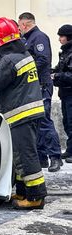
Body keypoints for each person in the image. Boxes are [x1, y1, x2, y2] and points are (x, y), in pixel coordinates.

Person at [0, 17, 47, 210]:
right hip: (32, 112)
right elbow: (13, 87)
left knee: (27, 155)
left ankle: (36, 196)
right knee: (20, 156)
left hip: (21, 114)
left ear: (0, 39)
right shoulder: (25, 55)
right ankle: (23, 191)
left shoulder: (8, 61)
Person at [18, 12, 62, 172]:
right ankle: (42, 157)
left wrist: (23, 70)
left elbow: (43, 60)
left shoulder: (38, 37)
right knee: (36, 122)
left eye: (19, 25)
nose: (19, 29)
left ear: (25, 24)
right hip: (34, 86)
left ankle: (55, 157)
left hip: (42, 85)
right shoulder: (28, 39)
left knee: (44, 122)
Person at [51, 24, 72, 163]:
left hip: (70, 93)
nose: (59, 39)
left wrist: (56, 76)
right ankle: (70, 150)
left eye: (61, 36)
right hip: (65, 93)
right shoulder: (65, 52)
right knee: (66, 122)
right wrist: (51, 72)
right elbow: (59, 69)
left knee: (71, 123)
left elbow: (70, 75)